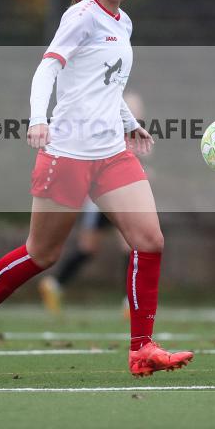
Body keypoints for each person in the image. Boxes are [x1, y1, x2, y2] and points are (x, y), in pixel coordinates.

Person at [0, 0, 193, 376]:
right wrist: (38, 118)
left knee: (150, 241)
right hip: (69, 154)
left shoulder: (125, 22)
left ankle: (142, 349)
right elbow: (49, 67)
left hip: (112, 153)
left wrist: (127, 121)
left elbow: (106, 84)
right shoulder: (81, 16)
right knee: (42, 253)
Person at [38, 92, 147, 317]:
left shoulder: (133, 134)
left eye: (138, 108)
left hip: (114, 196)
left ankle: (57, 285)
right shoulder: (110, 131)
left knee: (97, 247)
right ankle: (131, 302)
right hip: (105, 197)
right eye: (133, 107)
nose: (137, 112)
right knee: (122, 245)